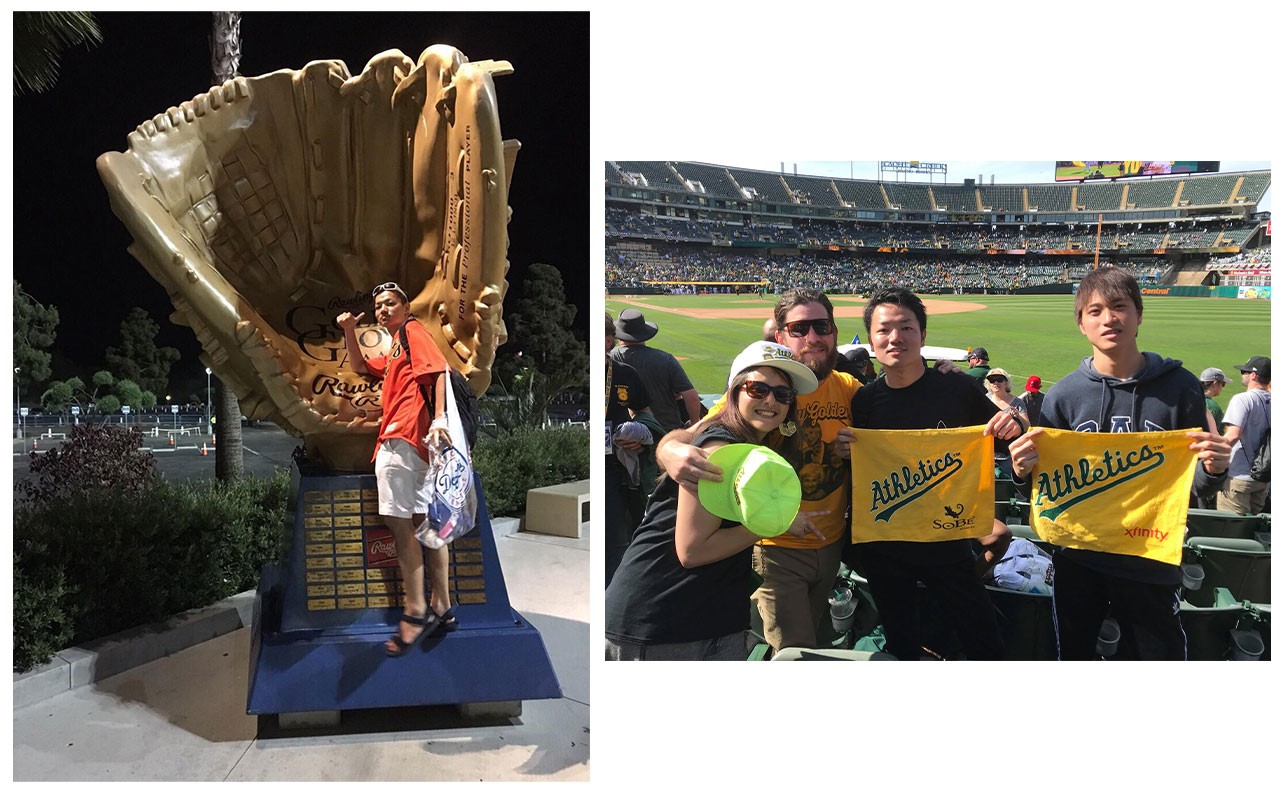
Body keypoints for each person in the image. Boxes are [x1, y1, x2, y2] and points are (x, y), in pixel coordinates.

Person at [1007, 267, 1231, 660]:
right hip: (1079, 559)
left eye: (1119, 307)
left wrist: (1213, 470)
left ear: (1139, 315)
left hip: (1150, 558)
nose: (1108, 318)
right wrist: (1022, 471)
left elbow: (1192, 485)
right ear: (1081, 324)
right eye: (1095, 311)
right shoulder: (1064, 396)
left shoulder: (1180, 388)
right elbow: (1046, 488)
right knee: (1073, 658)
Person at [657, 289, 858, 652]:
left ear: (834, 332)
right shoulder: (762, 388)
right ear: (780, 336)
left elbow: (895, 412)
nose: (812, 337)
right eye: (799, 328)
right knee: (793, 652)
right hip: (776, 548)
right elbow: (700, 430)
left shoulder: (847, 388)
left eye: (821, 326)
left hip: (830, 545)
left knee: (813, 639)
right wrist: (668, 449)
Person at [605, 342, 819, 660]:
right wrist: (778, 520)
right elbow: (692, 550)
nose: (771, 400)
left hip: (691, 616)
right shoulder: (721, 445)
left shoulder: (741, 439)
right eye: (757, 389)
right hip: (663, 620)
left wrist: (668, 446)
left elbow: (680, 436)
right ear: (734, 392)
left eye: (783, 394)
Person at [849, 286, 1024, 661]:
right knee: (903, 645)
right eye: (884, 330)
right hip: (886, 547)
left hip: (947, 542)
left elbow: (1007, 434)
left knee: (983, 642)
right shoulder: (864, 401)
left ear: (924, 336)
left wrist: (1015, 421)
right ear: (871, 340)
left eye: (906, 327)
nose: (895, 338)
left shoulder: (955, 386)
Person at [336, 282, 454, 657]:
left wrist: (439, 418)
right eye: (378, 306)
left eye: (389, 303)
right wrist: (349, 330)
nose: (383, 310)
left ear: (404, 306)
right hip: (414, 443)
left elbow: (439, 372)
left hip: (403, 440)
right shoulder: (395, 349)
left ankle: (416, 606)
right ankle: (444, 606)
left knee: (401, 526)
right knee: (424, 524)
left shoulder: (412, 331)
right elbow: (358, 366)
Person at [604, 312, 654, 586]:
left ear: (609, 341)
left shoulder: (624, 374)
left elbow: (644, 412)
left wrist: (639, 435)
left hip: (614, 466)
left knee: (613, 537)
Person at [610, 308, 702, 435]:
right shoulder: (666, 359)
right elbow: (691, 396)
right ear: (644, 332)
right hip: (667, 431)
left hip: (626, 434)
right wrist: (695, 423)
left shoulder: (609, 359)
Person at [1218, 356, 1271, 515]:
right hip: (1263, 478)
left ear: (1253, 375)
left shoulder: (1242, 399)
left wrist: (1213, 458)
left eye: (1244, 371)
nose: (1242, 374)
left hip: (1238, 477)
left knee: (1232, 530)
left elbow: (1233, 436)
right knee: (1254, 530)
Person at [1200, 367, 1231, 432]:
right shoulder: (1213, 407)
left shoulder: (1190, 399)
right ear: (1215, 384)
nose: (1222, 387)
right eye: (1223, 384)